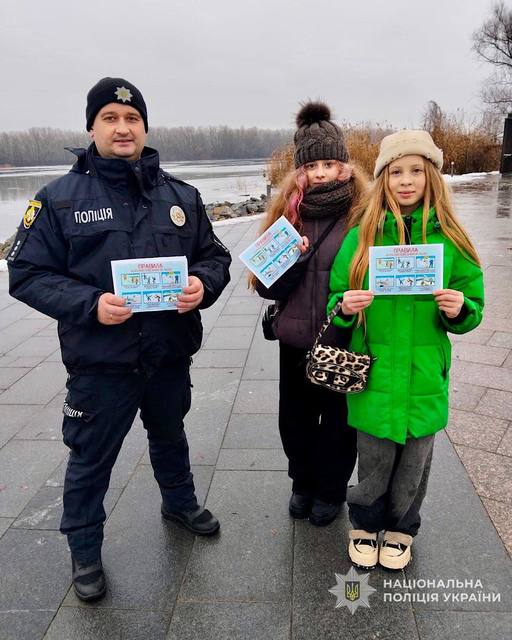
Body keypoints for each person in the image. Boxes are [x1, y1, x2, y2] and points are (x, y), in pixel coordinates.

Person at [8, 77, 231, 600]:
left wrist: (203, 285)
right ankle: (85, 548)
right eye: (110, 118)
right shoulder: (58, 199)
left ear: (145, 127)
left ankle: (179, 502)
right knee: (91, 457)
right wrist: (90, 304)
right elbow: (26, 273)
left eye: (132, 119)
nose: (122, 127)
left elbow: (214, 256)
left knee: (170, 433)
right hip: (101, 361)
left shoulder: (181, 195)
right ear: (92, 128)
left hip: (168, 353)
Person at [327, 130, 484, 570]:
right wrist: (345, 307)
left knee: (416, 462)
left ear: (432, 176)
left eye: (416, 170)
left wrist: (460, 308)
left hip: (424, 374)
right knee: (374, 458)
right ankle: (364, 523)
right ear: (383, 178)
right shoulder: (362, 236)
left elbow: (474, 303)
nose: (406, 180)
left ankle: (402, 528)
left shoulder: (451, 239)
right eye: (396, 172)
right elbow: (335, 296)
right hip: (374, 374)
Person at [251, 102, 368, 526]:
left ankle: (331, 490)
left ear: (344, 166)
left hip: (344, 337)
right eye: (312, 165)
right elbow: (264, 286)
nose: (320, 173)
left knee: (340, 424)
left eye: (329, 164)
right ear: (300, 169)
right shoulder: (287, 213)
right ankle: (302, 482)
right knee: (295, 421)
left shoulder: (364, 212)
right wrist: (294, 261)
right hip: (296, 338)